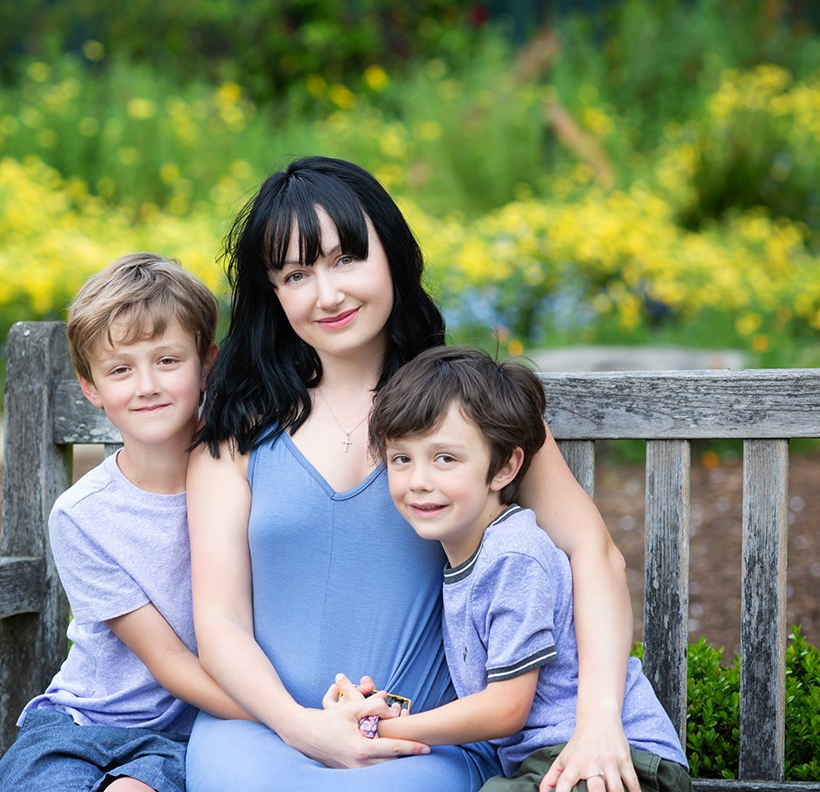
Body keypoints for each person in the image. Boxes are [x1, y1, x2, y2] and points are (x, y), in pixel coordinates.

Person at [185, 155, 640, 792]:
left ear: (392, 255)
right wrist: (302, 727)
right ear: (274, 294)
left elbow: (594, 554)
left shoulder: (470, 407)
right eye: (296, 274)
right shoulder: (236, 430)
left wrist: (598, 721)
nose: (328, 294)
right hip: (262, 732)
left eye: (347, 258)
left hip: (424, 743)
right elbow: (221, 623)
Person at [362, 345, 691, 792]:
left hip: (620, 761)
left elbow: (507, 708)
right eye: (402, 458)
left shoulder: (512, 556)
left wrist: (381, 731)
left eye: (445, 458)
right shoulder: (471, 557)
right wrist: (380, 708)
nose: (418, 480)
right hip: (551, 762)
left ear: (505, 467)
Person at [0, 252, 251, 792]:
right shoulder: (83, 515)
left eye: (167, 360)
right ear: (91, 387)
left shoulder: (244, 476)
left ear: (207, 363)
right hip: (81, 725)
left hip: (188, 735)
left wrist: (278, 718)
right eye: (120, 370)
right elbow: (167, 660)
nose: (146, 385)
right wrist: (283, 717)